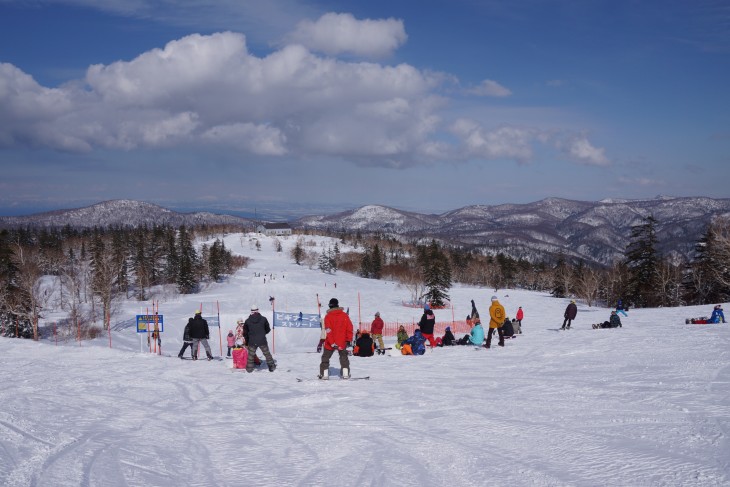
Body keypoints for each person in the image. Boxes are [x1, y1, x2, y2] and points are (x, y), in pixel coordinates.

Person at [319, 298, 354, 380]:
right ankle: (345, 373)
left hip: (330, 342)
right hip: (342, 341)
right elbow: (350, 328)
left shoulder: (328, 317)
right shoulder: (345, 315)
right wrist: (349, 339)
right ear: (337, 305)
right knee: (343, 357)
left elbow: (328, 330)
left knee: (325, 357)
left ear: (330, 305)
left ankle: (324, 373)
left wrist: (332, 342)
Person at [243, 305, 277, 372]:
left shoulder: (247, 321)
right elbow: (268, 329)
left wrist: (247, 342)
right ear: (258, 310)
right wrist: (262, 334)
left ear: (251, 311)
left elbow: (245, 333)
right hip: (262, 340)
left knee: (251, 356)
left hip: (252, 341)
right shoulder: (263, 319)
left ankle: (249, 369)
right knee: (267, 354)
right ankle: (272, 367)